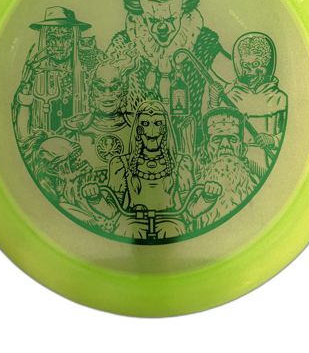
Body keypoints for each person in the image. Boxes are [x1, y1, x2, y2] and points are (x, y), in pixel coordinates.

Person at [106, 0, 233, 149]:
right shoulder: (124, 44)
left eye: (171, 18)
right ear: (141, 15)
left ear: (183, 11)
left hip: (191, 147)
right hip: (138, 148)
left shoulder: (203, 42)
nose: (162, 28)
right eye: (153, 20)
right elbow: (100, 83)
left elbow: (236, 77)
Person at [81, 100, 221, 240]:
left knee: (175, 231)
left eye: (158, 123)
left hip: (170, 221)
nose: (152, 131)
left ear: (165, 128)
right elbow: (112, 211)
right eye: (145, 124)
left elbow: (190, 210)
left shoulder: (181, 162)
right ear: (137, 129)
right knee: (126, 232)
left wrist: (208, 196)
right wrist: (95, 198)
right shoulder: (120, 163)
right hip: (131, 222)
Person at [12, 6, 104, 140]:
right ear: (45, 39)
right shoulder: (33, 71)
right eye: (53, 37)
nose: (59, 44)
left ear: (74, 38)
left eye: (65, 38)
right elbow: (21, 131)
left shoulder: (93, 66)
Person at [56, 60, 134, 185]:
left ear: (123, 91)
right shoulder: (72, 129)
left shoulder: (141, 126)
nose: (107, 94)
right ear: (92, 91)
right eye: (101, 88)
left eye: (114, 87)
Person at [223, 32, 287, 177]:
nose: (249, 71)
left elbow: (291, 134)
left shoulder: (279, 99)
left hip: (268, 165)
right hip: (236, 166)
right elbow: (217, 129)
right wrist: (214, 101)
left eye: (255, 65)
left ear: (266, 64)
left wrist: (272, 140)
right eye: (246, 65)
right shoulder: (231, 97)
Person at [194, 107, 258, 230]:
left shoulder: (256, 188)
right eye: (217, 139)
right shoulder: (194, 191)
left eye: (232, 139)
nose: (225, 145)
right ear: (205, 149)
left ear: (243, 148)